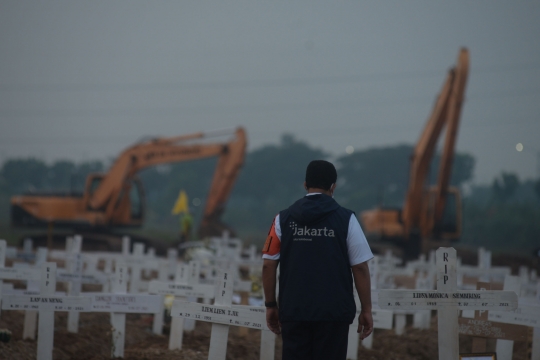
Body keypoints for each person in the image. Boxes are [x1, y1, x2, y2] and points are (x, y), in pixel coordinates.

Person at [262, 160, 374, 360]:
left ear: (305, 185)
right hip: (334, 314)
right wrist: (366, 309)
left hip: (294, 311)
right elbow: (360, 268)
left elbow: (268, 264)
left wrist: (271, 305)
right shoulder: (347, 219)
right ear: (333, 187)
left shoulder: (281, 219)